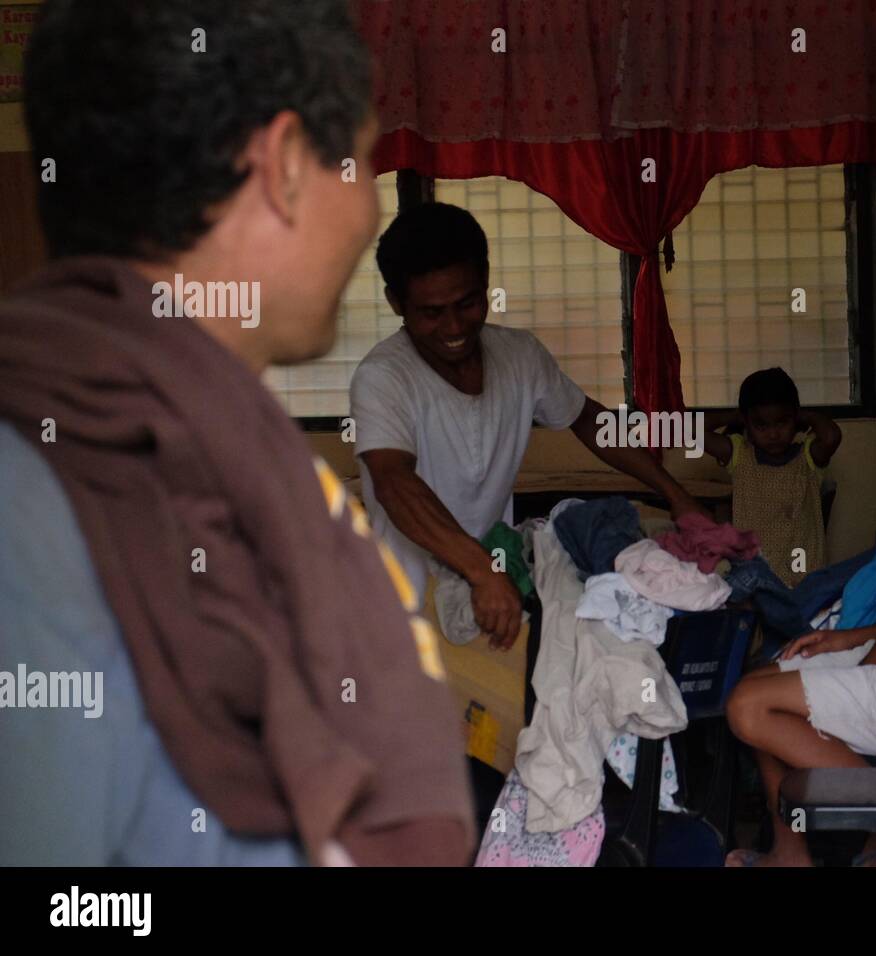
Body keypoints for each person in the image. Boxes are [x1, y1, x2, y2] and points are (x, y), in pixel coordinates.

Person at [0, 0, 472, 866]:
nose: (368, 210)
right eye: (360, 160)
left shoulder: (226, 448)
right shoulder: (33, 499)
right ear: (282, 169)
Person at [350, 203, 707, 651]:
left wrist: (678, 497)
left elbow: (590, 420)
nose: (454, 326)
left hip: (495, 590)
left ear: (485, 282)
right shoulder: (383, 377)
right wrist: (481, 570)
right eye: (432, 312)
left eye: (467, 303)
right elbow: (393, 482)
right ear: (396, 303)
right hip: (403, 600)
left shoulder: (519, 356)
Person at [723, 347, 876, 867]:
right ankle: (792, 853)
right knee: (766, 674)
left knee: (751, 707)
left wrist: (851, 682)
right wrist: (842, 641)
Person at [702, 368, 841, 587]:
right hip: (755, 577)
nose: (773, 434)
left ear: (795, 419)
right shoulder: (739, 455)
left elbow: (832, 436)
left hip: (803, 575)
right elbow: (692, 429)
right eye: (761, 425)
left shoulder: (808, 457)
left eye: (782, 422)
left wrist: (802, 415)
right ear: (747, 424)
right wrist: (737, 416)